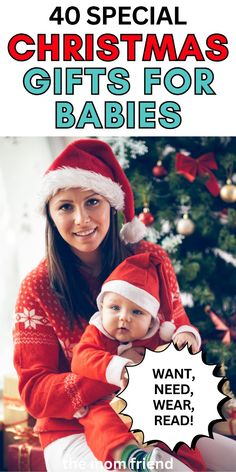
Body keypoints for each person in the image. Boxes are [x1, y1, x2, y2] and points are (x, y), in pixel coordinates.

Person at [13, 138, 236, 472]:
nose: (81, 219)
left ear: (111, 206)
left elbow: (177, 328)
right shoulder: (37, 287)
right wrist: (119, 372)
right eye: (65, 207)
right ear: (50, 213)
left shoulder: (150, 260)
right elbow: (35, 393)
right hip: (76, 427)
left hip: (154, 410)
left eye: (92, 202)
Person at [71, 251, 202, 472]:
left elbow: (179, 348)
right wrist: (119, 368)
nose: (124, 317)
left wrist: (187, 336)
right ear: (102, 308)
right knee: (100, 423)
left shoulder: (156, 334)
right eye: (114, 308)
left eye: (136, 311)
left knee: (172, 420)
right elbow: (81, 358)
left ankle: (190, 462)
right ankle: (131, 457)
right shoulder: (98, 332)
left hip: (149, 404)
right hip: (107, 403)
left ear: (151, 319)